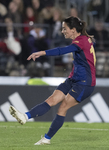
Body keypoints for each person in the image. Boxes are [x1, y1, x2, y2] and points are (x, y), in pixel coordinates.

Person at [9, 16, 96, 145]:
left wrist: (42, 53)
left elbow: (62, 50)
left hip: (85, 83)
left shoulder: (81, 42)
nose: (62, 31)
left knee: (63, 107)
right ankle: (25, 116)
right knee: (51, 100)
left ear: (73, 30)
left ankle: (47, 139)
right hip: (74, 78)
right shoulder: (84, 39)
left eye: (64, 28)